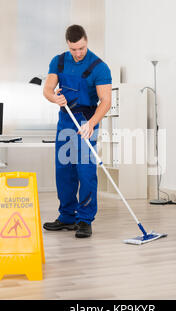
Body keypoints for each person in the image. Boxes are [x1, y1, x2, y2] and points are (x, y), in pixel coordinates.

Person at [42, 25, 112, 238]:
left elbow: (106, 102)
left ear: (86, 41)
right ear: (68, 45)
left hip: (86, 122)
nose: (78, 53)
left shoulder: (99, 67)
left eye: (81, 48)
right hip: (65, 120)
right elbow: (47, 89)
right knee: (64, 170)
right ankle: (67, 217)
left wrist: (91, 124)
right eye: (74, 49)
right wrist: (55, 97)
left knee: (85, 171)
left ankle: (84, 219)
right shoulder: (59, 61)